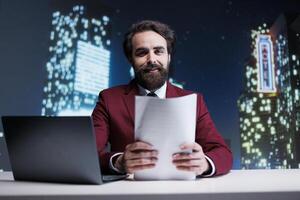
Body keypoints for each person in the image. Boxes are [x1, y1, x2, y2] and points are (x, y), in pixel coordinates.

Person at [92, 20, 232, 177]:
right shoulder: (109, 99)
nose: (151, 60)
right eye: (141, 53)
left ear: (169, 57)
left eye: (158, 51)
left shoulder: (194, 101)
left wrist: (205, 163)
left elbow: (223, 152)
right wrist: (118, 162)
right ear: (131, 60)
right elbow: (88, 154)